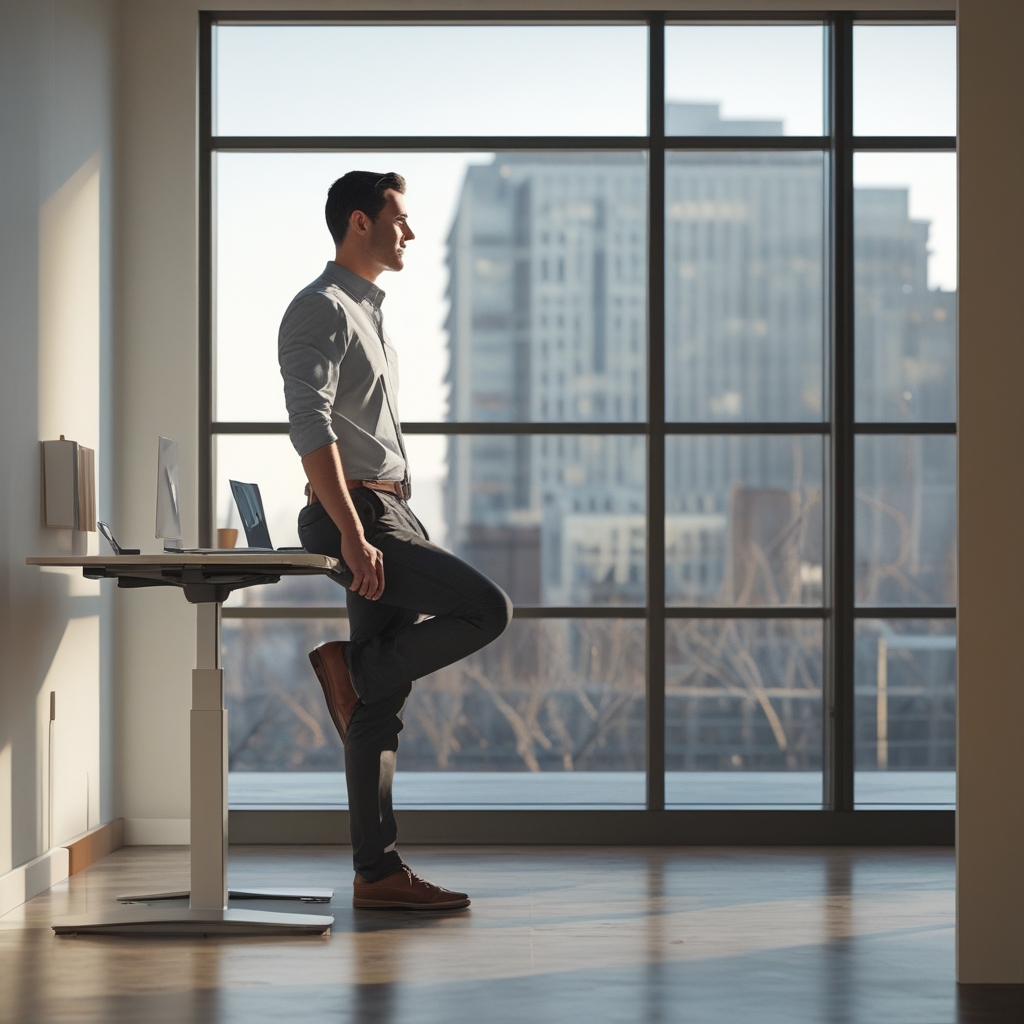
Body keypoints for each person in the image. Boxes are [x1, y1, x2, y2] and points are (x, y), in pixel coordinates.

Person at [278, 171, 512, 910]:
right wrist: (352, 531)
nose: (408, 231)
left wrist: (396, 521)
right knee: (488, 608)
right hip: (355, 513)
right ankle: (354, 668)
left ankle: (376, 874)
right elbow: (309, 426)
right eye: (399, 219)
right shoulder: (319, 309)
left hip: (389, 513)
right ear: (359, 222)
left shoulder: (367, 313)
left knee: (376, 711)